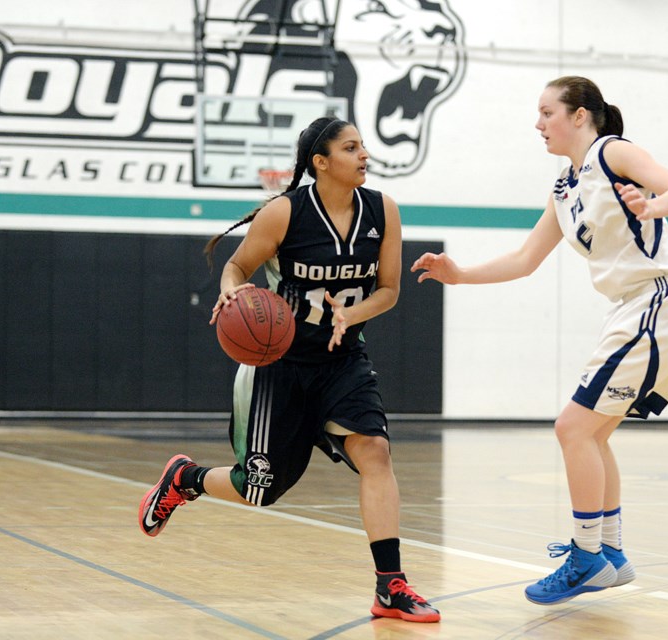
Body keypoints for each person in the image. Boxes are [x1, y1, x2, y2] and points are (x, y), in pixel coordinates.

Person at [411, 76, 668, 606]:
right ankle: (611, 554)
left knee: (571, 427)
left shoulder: (611, 151)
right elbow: (525, 261)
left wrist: (652, 206)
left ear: (579, 116)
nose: (538, 122)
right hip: (638, 309)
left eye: (547, 112)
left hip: (659, 301)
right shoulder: (565, 187)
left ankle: (586, 554)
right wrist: (460, 274)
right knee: (591, 435)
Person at [138, 116, 441, 623]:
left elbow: (388, 291)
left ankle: (390, 585)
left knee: (376, 453)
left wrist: (352, 314)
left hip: (343, 361)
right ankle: (185, 478)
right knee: (259, 490)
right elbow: (237, 267)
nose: (365, 155)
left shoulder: (383, 210)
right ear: (321, 162)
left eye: (363, 146)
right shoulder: (284, 213)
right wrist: (231, 289)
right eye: (351, 148)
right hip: (279, 366)